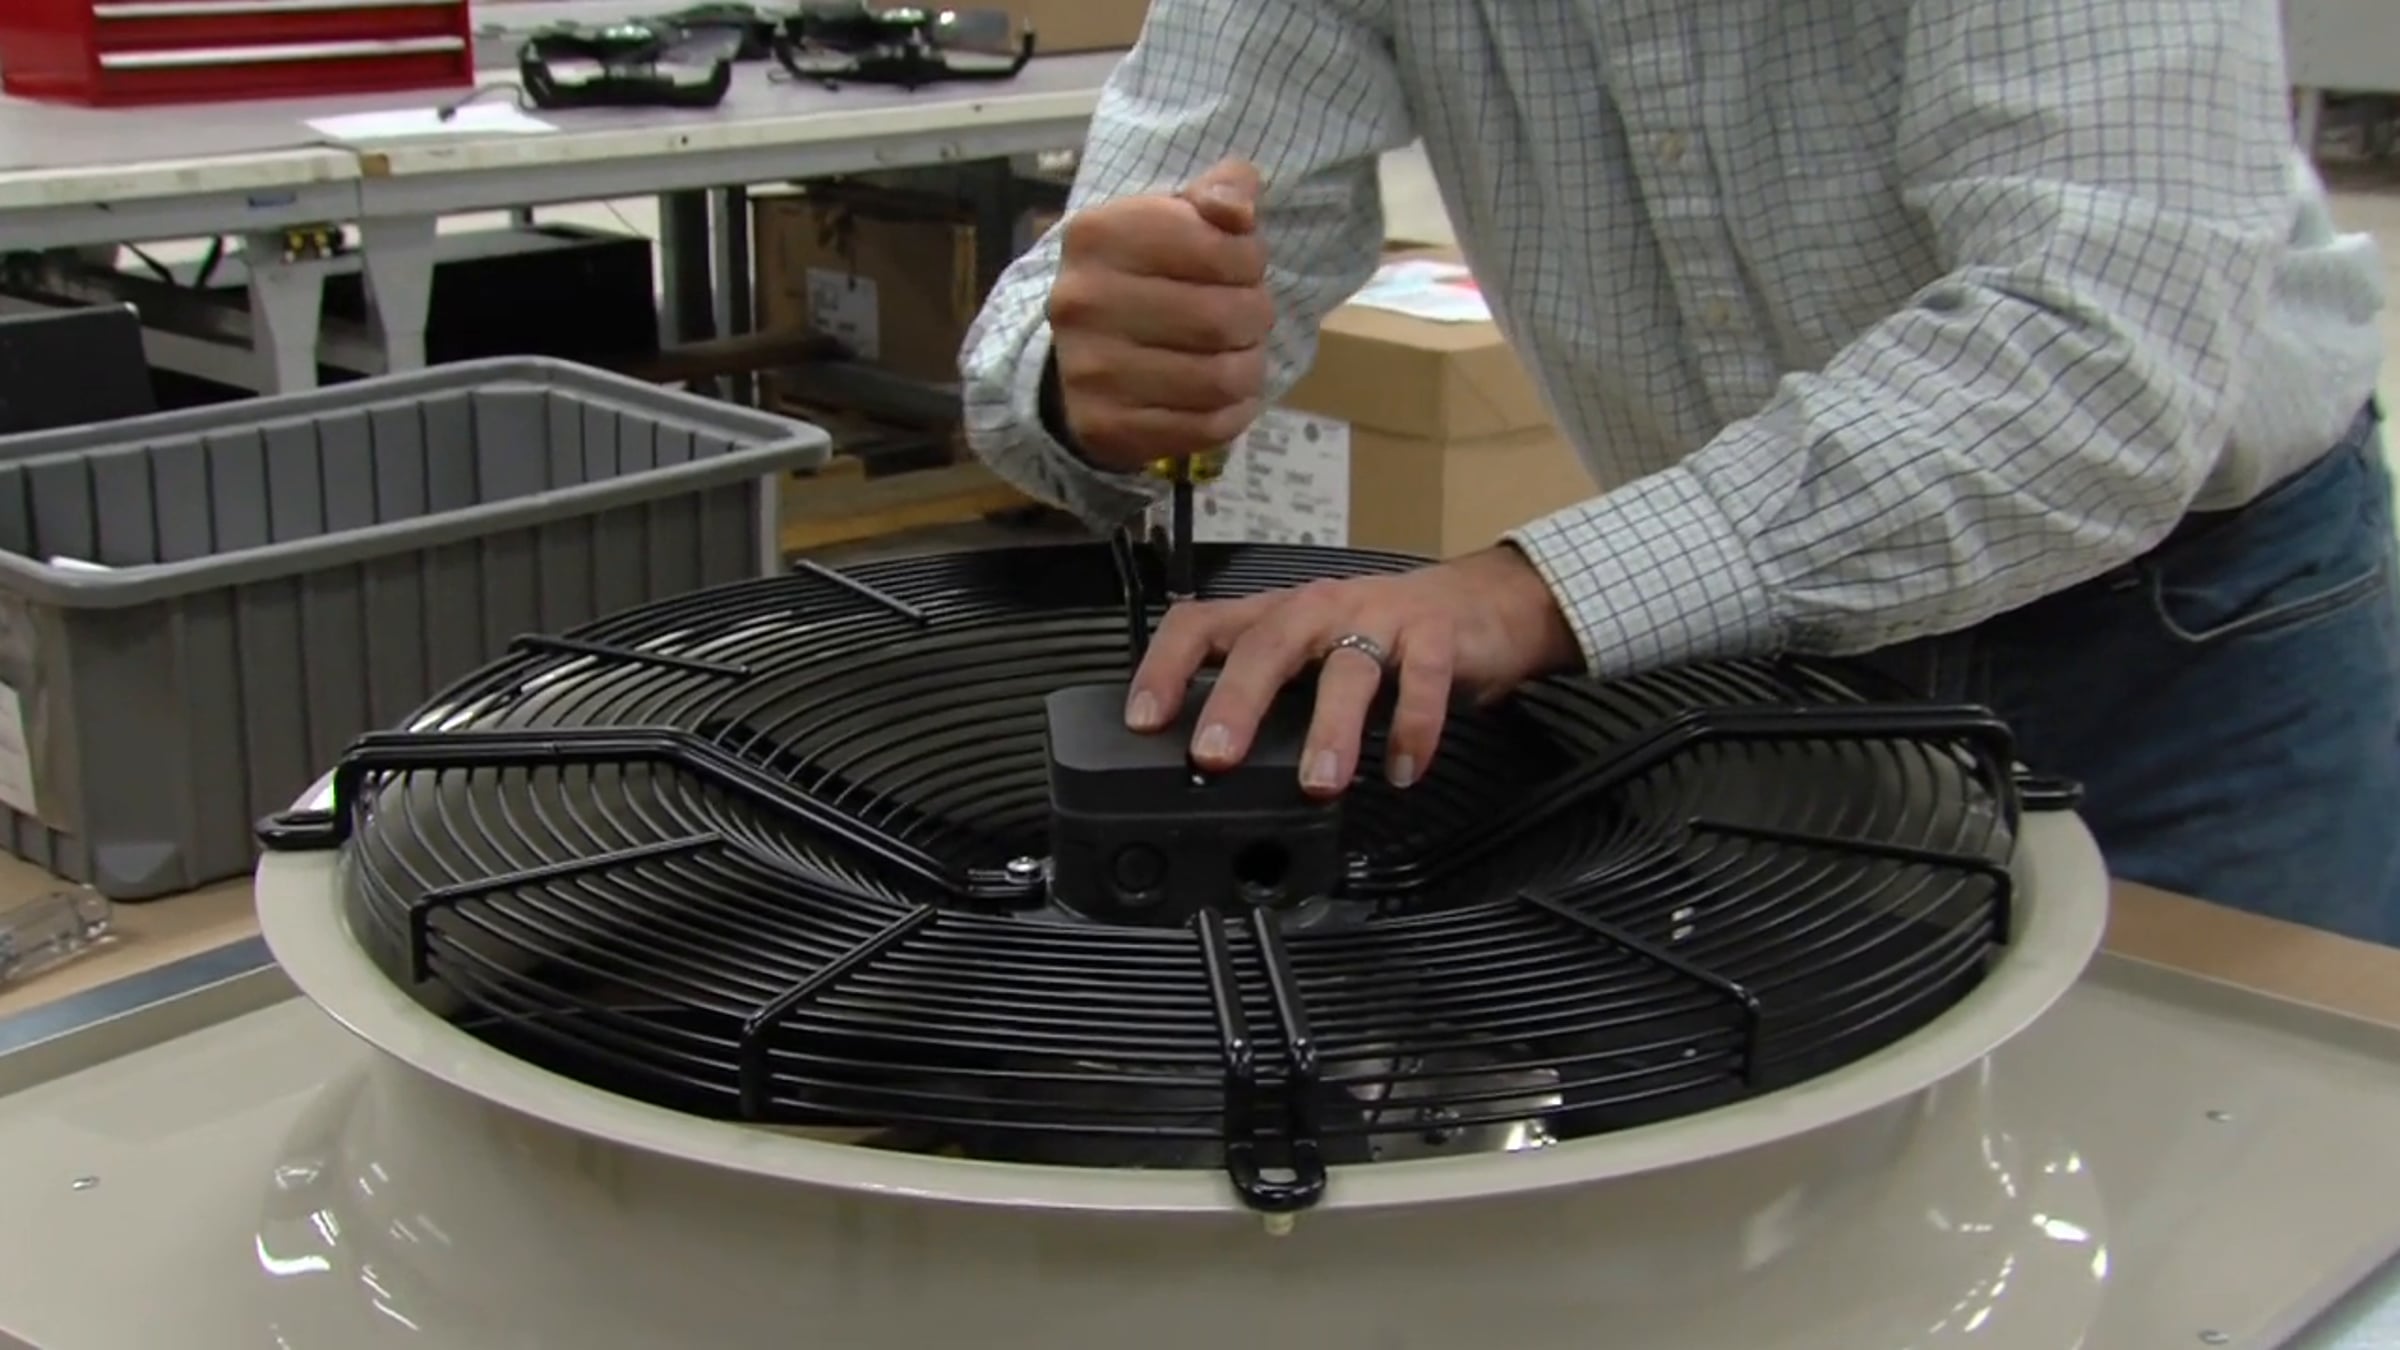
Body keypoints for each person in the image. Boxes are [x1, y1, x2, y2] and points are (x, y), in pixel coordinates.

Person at [957, 0, 2400, 945]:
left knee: (2218, 1187)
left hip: (2186, 643)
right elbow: (1137, 236)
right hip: (1754, 650)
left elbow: (2098, 358)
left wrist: (1530, 593)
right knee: (1825, 1197)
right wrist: (1095, 375)